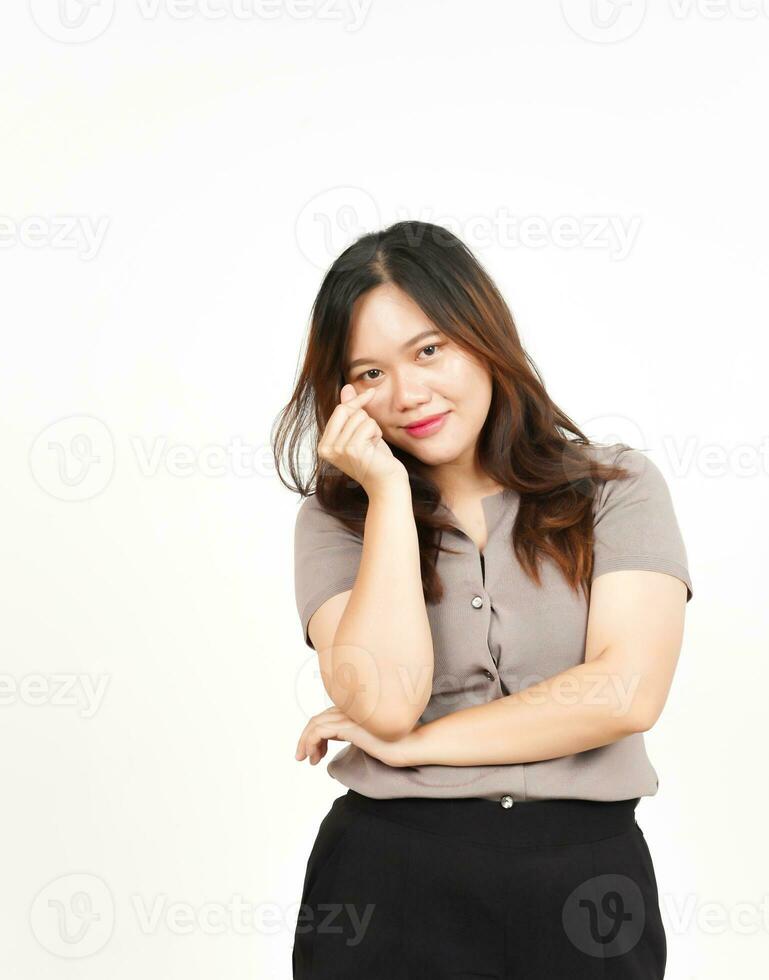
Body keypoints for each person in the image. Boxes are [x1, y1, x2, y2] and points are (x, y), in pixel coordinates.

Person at [271, 220, 693, 979]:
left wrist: (420, 748)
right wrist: (390, 497)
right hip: (386, 883)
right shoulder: (337, 521)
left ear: (483, 334)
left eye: (429, 350)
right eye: (368, 374)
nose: (406, 394)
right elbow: (386, 703)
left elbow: (625, 692)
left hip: (586, 884)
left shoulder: (614, 490)